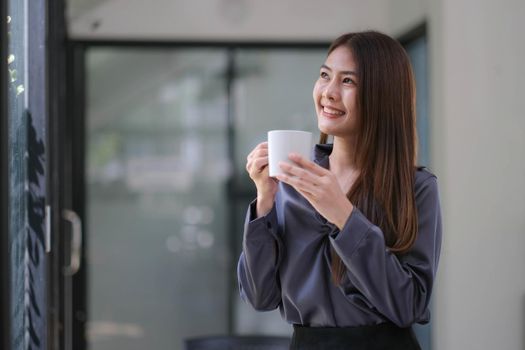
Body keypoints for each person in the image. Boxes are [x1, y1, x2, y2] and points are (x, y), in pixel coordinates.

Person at [237, 30, 442, 350]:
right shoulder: (292, 181)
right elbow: (259, 297)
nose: (328, 92)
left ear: (383, 94)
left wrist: (344, 216)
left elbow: (409, 306)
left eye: (348, 81)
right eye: (324, 75)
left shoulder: (417, 188)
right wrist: (264, 200)